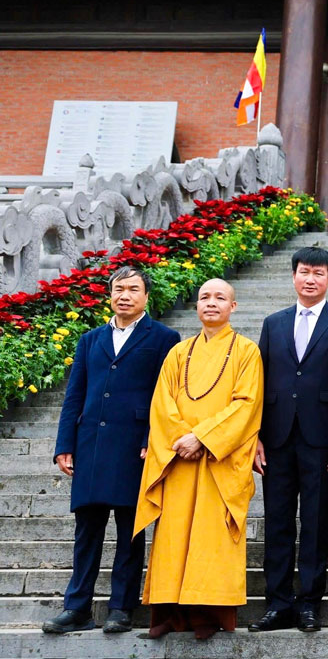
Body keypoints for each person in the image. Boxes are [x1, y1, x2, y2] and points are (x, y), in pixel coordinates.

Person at [43, 267, 179, 634]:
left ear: (146, 296)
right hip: (91, 444)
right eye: (119, 289)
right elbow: (75, 394)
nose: (125, 295)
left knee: (130, 531)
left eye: (133, 289)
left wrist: (153, 437)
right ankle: (77, 608)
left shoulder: (164, 338)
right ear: (110, 294)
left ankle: (122, 607)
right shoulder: (90, 339)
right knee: (87, 530)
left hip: (135, 447)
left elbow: (167, 396)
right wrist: (65, 444)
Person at [134, 278, 264, 639]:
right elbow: (162, 403)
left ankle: (207, 615)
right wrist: (183, 440)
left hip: (219, 462)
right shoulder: (179, 353)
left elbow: (247, 405)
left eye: (220, 297)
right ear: (196, 307)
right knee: (173, 536)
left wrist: (202, 438)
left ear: (232, 307)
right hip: (179, 459)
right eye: (204, 297)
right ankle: (169, 613)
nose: (211, 303)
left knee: (212, 537)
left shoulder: (247, 351)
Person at [250, 247, 328, 632]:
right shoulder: (273, 323)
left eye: (318, 273)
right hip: (276, 437)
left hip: (321, 438)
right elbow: (259, 382)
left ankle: (310, 603)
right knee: (277, 521)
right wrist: (255, 436)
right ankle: (278, 603)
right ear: (293, 276)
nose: (310, 279)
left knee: (315, 522)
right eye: (304, 271)